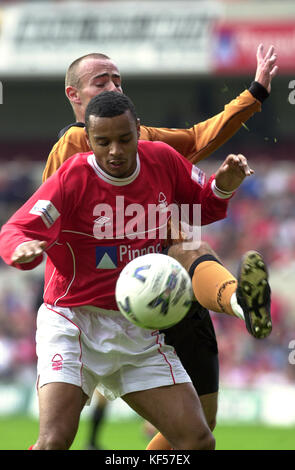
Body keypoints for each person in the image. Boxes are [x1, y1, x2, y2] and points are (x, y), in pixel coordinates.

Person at [41, 46, 277, 450]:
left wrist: (254, 93)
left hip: (166, 291)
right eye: (102, 81)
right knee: (179, 240)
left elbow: (200, 137)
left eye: (118, 79)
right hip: (94, 308)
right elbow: (49, 228)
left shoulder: (147, 140)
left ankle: (242, 303)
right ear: (73, 95)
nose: (114, 85)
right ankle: (237, 301)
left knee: (201, 428)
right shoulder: (70, 152)